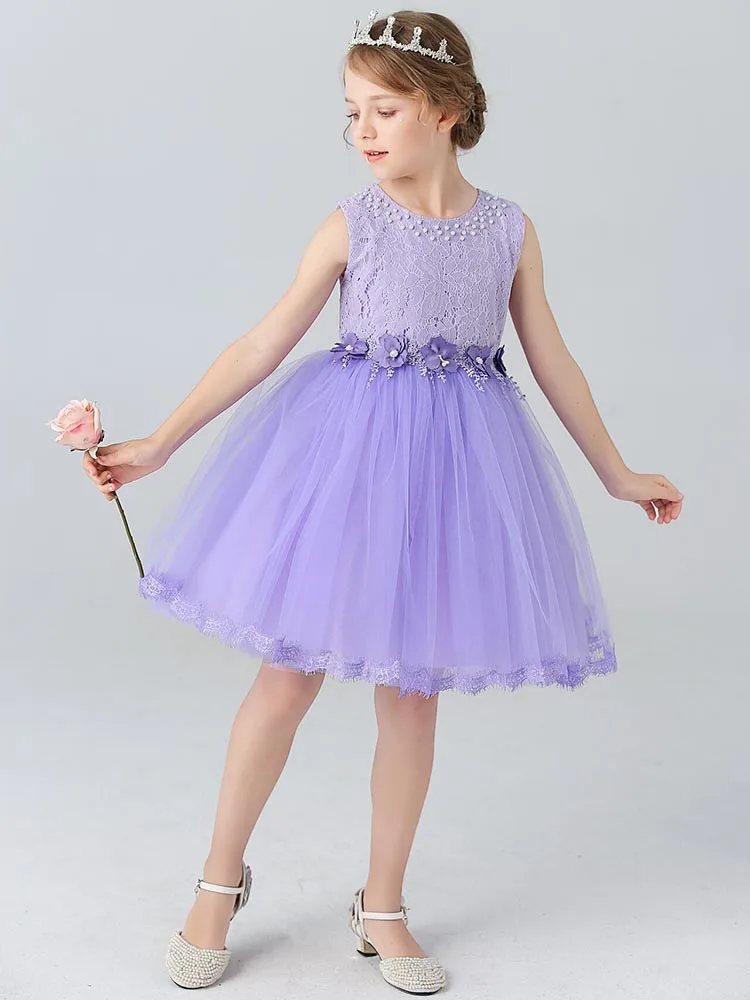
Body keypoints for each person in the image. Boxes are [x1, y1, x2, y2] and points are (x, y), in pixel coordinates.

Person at [82, 8, 683, 995]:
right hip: (348, 467)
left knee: (412, 694)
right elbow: (261, 344)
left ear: (446, 110)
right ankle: (218, 880)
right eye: (352, 111)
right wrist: (160, 441)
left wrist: (616, 472)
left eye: (384, 109)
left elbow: (553, 359)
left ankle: (385, 902)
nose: (362, 129)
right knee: (287, 677)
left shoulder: (509, 230)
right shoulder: (352, 222)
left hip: (455, 477)